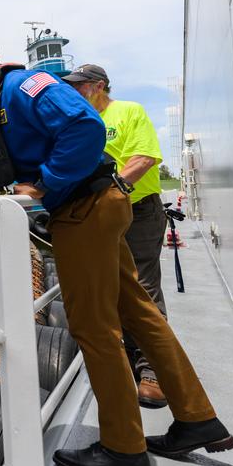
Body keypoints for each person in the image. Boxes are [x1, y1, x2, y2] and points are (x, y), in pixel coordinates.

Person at [0, 32, 233, 466]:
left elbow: (84, 129)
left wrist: (43, 184)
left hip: (85, 211)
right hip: (90, 208)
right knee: (138, 313)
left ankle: (124, 448)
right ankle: (197, 418)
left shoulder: (28, 86)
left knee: (94, 327)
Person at [63, 63, 169, 409]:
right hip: (99, 216)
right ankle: (124, 365)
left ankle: (154, 372)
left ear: (100, 86)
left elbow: (145, 158)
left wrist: (116, 190)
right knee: (107, 290)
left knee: (143, 288)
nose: (74, 92)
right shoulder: (79, 123)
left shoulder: (128, 112)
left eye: (80, 86)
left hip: (137, 211)